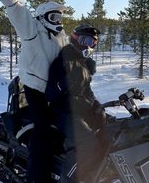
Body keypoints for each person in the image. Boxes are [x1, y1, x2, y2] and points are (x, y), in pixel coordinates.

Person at [0, 0, 67, 183]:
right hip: (35, 88)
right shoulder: (33, 30)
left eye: (60, 18)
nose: (58, 22)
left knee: (66, 124)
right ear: (43, 17)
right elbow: (17, 10)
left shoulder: (61, 37)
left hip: (55, 89)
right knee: (43, 130)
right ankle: (36, 177)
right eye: (54, 18)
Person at [45, 24, 107, 182]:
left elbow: (86, 90)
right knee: (88, 143)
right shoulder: (62, 60)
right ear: (74, 39)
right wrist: (64, 83)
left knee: (110, 131)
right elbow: (50, 94)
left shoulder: (83, 63)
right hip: (64, 112)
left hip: (82, 110)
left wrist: (96, 104)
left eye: (92, 42)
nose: (88, 44)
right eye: (84, 39)